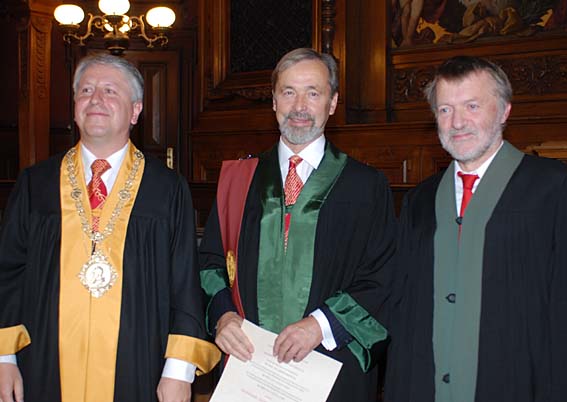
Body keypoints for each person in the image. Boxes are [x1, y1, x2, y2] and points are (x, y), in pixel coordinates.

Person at [0, 54, 220, 402]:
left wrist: (178, 370)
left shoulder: (166, 189)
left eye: (109, 91)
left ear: (135, 111)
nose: (96, 99)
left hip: (139, 366)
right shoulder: (36, 184)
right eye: (86, 90)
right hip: (43, 364)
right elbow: (8, 273)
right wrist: (3, 357)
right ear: (74, 108)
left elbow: (184, 282)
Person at [199, 48, 397, 402]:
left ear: (333, 103)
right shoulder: (238, 181)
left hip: (331, 369)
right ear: (274, 102)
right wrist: (223, 315)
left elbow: (383, 277)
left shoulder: (367, 186)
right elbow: (210, 263)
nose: (300, 106)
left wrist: (321, 326)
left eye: (313, 93)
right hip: (247, 369)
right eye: (288, 92)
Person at [384, 55, 567, 402]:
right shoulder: (419, 203)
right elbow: (402, 314)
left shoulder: (553, 190)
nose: (457, 122)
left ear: (503, 111)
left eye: (471, 106)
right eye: (445, 110)